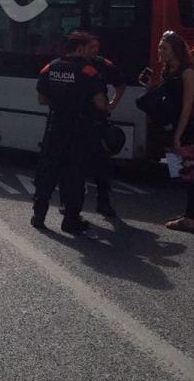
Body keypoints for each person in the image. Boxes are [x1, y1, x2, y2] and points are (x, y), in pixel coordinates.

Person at [32, 31, 109, 235]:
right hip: (79, 130)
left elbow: (41, 99)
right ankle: (71, 220)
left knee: (47, 172)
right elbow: (101, 104)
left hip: (55, 127)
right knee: (75, 175)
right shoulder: (88, 71)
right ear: (80, 48)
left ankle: (38, 215)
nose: (94, 52)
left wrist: (61, 101)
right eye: (90, 48)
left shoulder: (51, 67)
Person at [150, 30, 194, 233]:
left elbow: (187, 106)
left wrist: (178, 135)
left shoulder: (188, 72)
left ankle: (190, 218)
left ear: (175, 49)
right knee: (184, 173)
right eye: (159, 46)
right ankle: (190, 214)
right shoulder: (168, 70)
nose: (160, 50)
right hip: (177, 126)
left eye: (164, 47)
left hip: (191, 127)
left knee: (193, 172)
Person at [86, 35, 126, 217]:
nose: (95, 50)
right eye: (91, 46)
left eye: (97, 46)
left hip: (97, 120)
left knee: (101, 167)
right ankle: (69, 204)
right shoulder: (75, 64)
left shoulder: (103, 64)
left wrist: (113, 103)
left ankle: (103, 203)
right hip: (81, 121)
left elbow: (120, 83)